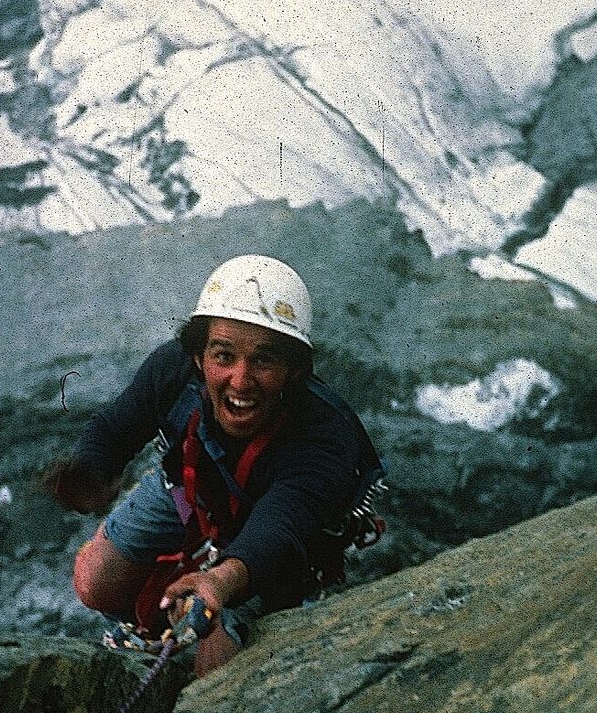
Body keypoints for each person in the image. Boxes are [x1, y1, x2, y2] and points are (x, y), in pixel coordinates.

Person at [46, 255, 385, 677]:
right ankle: (153, 629)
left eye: (264, 361)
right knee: (94, 582)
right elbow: (114, 428)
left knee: (213, 674)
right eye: (224, 357)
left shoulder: (324, 438)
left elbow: (278, 529)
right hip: (192, 490)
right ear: (198, 358)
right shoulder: (172, 370)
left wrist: (219, 583)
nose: (240, 381)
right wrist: (90, 471)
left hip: (279, 551)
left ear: (293, 372)